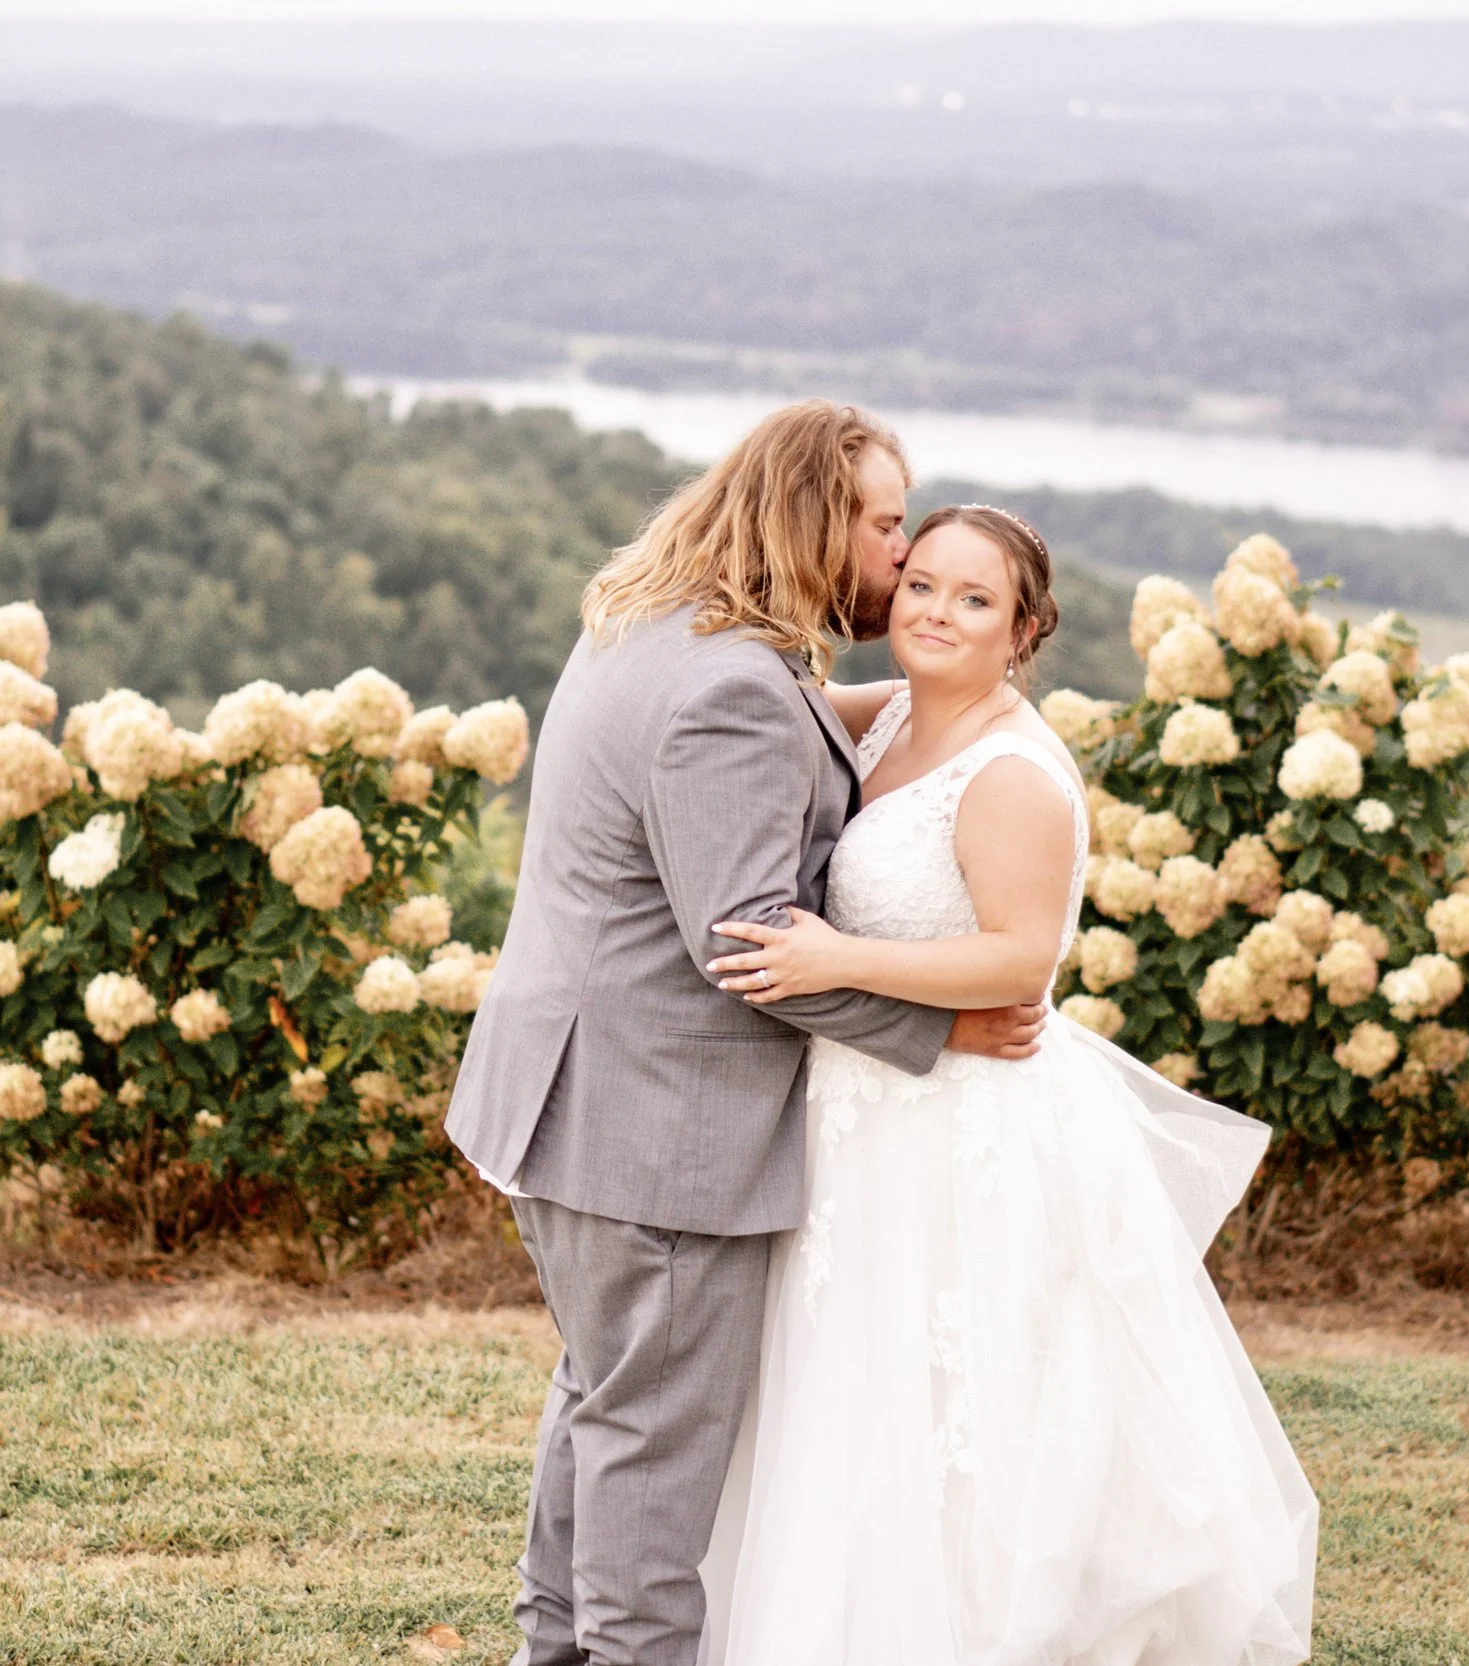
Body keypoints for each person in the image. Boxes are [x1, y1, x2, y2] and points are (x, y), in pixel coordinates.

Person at [445, 402, 1048, 1666]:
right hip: (654, 1127)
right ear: (818, 519)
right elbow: (749, 949)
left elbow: (806, 717)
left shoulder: (653, 620)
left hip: (570, 1097)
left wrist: (945, 691)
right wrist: (940, 1032)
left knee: (604, 1405)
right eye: (887, 526)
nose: (898, 558)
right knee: (651, 1452)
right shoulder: (733, 688)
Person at [693, 505, 1318, 1664]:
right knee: (843, 1399)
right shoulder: (883, 721)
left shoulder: (1015, 771)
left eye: (972, 600)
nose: (934, 611)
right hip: (860, 1111)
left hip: (958, 1121)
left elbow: (1018, 959)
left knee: (957, 1410)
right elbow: (743, 704)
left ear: (1023, 628)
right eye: (919, 584)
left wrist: (836, 960)